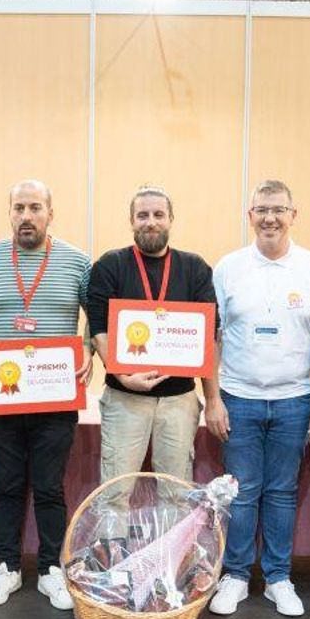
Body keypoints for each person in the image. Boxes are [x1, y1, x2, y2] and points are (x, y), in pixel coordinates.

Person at [0, 179, 93, 610]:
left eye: (35, 207)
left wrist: (88, 350)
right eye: (19, 208)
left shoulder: (78, 262)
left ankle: (51, 569)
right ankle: (7, 567)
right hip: (0, 398)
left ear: (51, 213)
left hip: (55, 398)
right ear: (10, 213)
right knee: (8, 484)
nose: (26, 216)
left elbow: (97, 314)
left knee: (50, 486)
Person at [208, 179, 310, 619]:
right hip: (239, 397)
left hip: (294, 399)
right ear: (250, 216)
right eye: (262, 210)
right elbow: (211, 339)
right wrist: (213, 400)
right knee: (241, 493)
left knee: (282, 492)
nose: (270, 218)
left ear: (293, 215)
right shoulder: (228, 268)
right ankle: (236, 576)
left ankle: (278, 578)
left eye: (279, 209)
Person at [87, 185, 220, 482]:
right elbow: (98, 330)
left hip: (179, 401)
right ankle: (115, 523)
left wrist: (213, 399)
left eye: (159, 214)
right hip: (124, 398)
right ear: (131, 221)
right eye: (142, 215)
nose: (151, 222)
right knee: (115, 490)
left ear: (170, 219)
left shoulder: (195, 268)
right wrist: (124, 376)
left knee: (176, 492)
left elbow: (209, 337)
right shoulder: (110, 265)